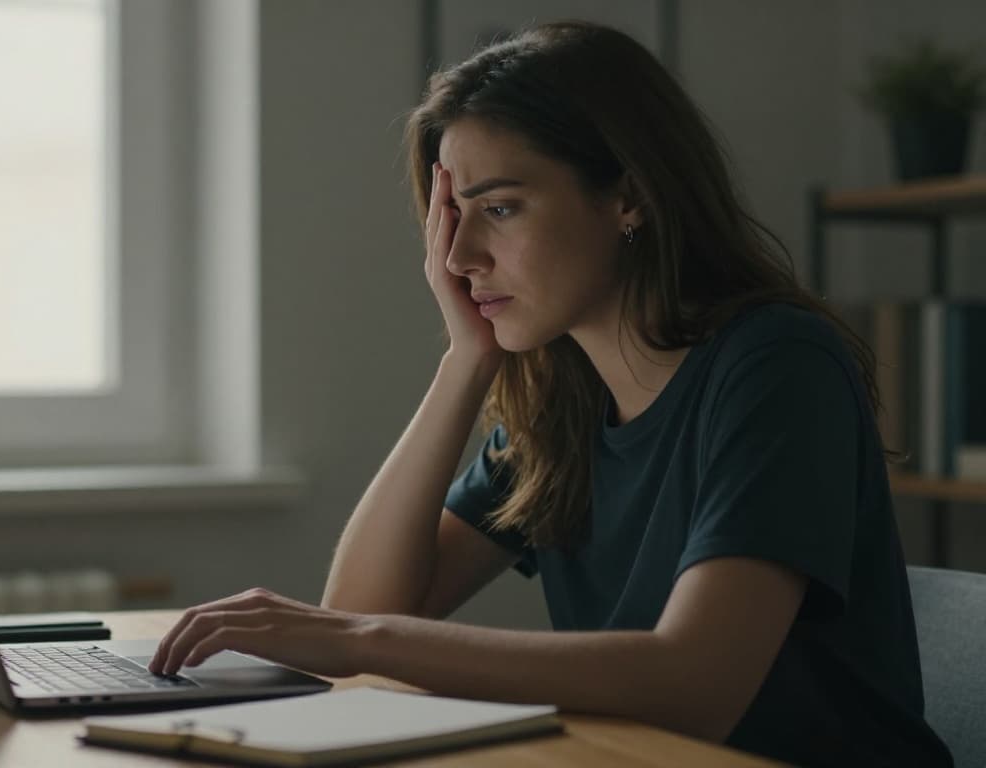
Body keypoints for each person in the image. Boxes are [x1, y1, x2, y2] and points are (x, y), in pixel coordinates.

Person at [148, 20, 952, 767]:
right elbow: (362, 603)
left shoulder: (776, 366)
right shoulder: (560, 402)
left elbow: (695, 687)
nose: (460, 256)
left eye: (499, 208)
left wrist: (360, 637)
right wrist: (466, 362)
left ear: (629, 196)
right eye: (449, 219)